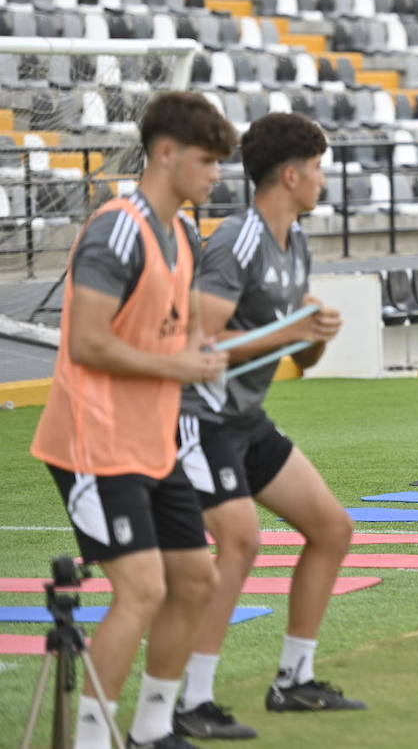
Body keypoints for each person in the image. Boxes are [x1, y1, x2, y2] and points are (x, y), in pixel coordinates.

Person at [30, 92, 237, 749]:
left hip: (153, 440)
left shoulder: (181, 231)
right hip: (93, 440)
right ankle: (93, 739)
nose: (214, 177)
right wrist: (179, 367)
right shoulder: (117, 227)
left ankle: (152, 726)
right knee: (142, 589)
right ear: (167, 153)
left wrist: (201, 356)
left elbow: (176, 336)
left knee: (196, 578)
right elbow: (88, 342)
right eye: (206, 162)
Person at [173, 114, 362, 738]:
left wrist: (313, 339)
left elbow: (291, 357)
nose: (323, 180)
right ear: (291, 174)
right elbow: (203, 339)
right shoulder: (235, 240)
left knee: (332, 528)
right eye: (318, 169)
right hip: (199, 417)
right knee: (241, 541)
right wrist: (294, 331)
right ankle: (190, 697)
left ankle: (294, 680)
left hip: (245, 418)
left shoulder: (295, 240)